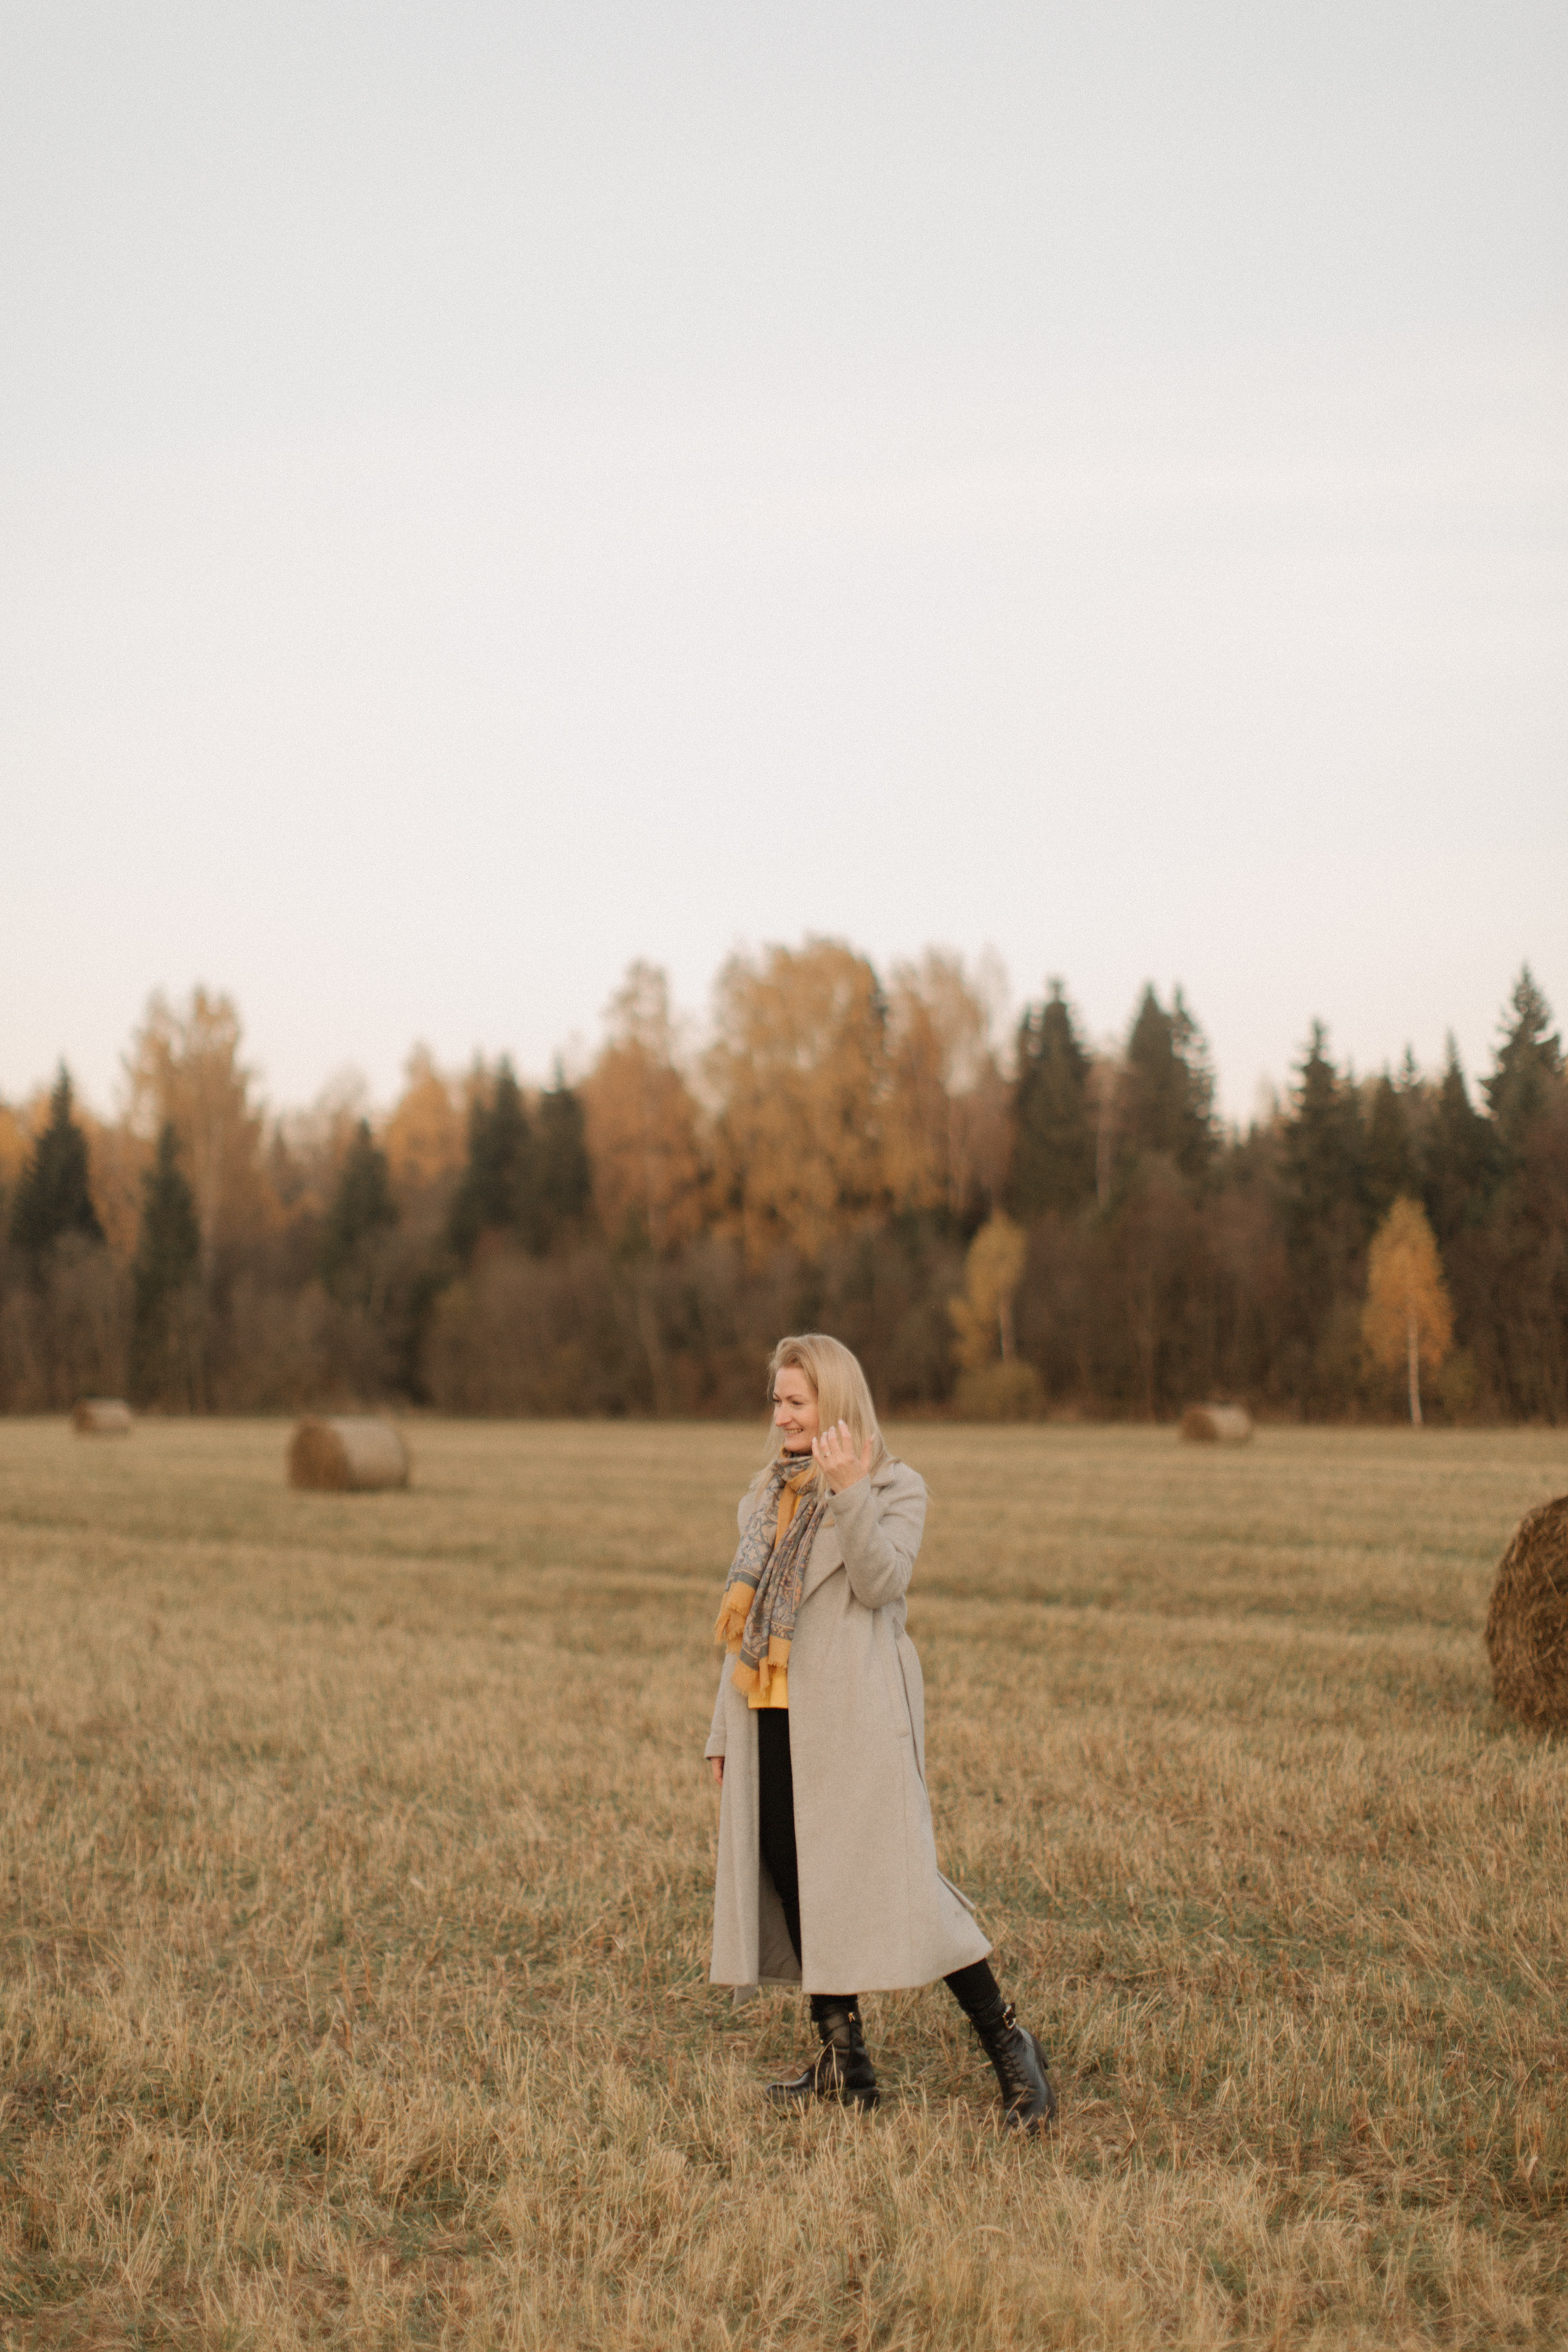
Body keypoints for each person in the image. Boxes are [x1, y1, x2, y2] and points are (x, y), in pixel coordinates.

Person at [705, 1331, 1056, 2132]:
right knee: (800, 1886)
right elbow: (744, 1628)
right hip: (770, 1716)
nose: (779, 1415)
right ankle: (844, 2064)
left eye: (794, 1401)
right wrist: (719, 1736)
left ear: (833, 1403)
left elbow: (880, 1582)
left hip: (857, 1720)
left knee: (903, 1884)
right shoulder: (764, 1497)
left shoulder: (895, 1488)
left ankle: (1010, 2045)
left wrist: (850, 1491)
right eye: (776, 1400)